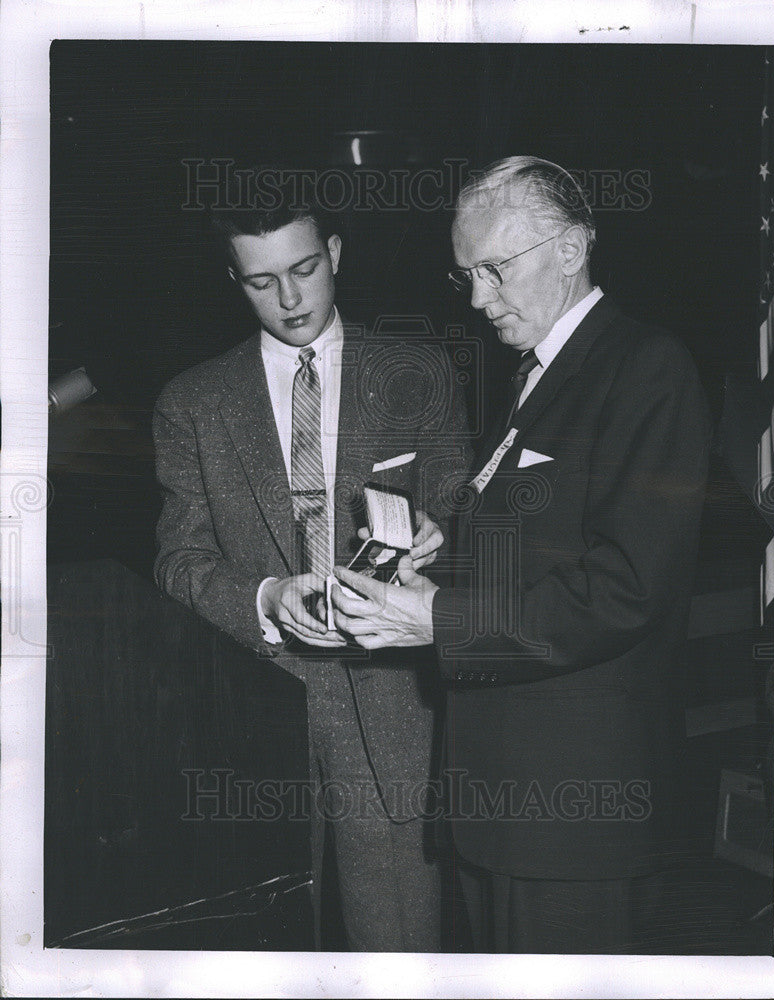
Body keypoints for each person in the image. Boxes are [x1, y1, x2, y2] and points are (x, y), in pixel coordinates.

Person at [331, 156, 712, 953]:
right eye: (464, 274)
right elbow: (542, 552)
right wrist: (442, 554)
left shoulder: (646, 369)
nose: (477, 299)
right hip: (498, 803)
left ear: (571, 248)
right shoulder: (534, 376)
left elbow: (625, 589)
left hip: (571, 818)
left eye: (495, 270)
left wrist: (439, 617)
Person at [152, 193, 470, 951]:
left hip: (392, 709)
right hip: (251, 709)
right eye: (262, 282)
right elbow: (177, 560)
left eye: (303, 269)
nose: (290, 298)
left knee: (395, 948)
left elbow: (466, 517)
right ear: (234, 279)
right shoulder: (190, 403)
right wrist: (264, 596)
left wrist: (442, 536)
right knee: (259, 943)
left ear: (335, 252)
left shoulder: (415, 372)